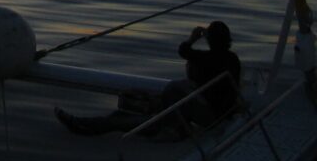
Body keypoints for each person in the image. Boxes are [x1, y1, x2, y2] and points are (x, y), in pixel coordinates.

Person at [55, 20, 241, 136]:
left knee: (122, 120)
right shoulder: (232, 59)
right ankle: (90, 123)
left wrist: (193, 38)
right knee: (127, 113)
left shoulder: (207, 58)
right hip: (205, 110)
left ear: (211, 39)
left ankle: (84, 126)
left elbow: (184, 51)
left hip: (205, 115)